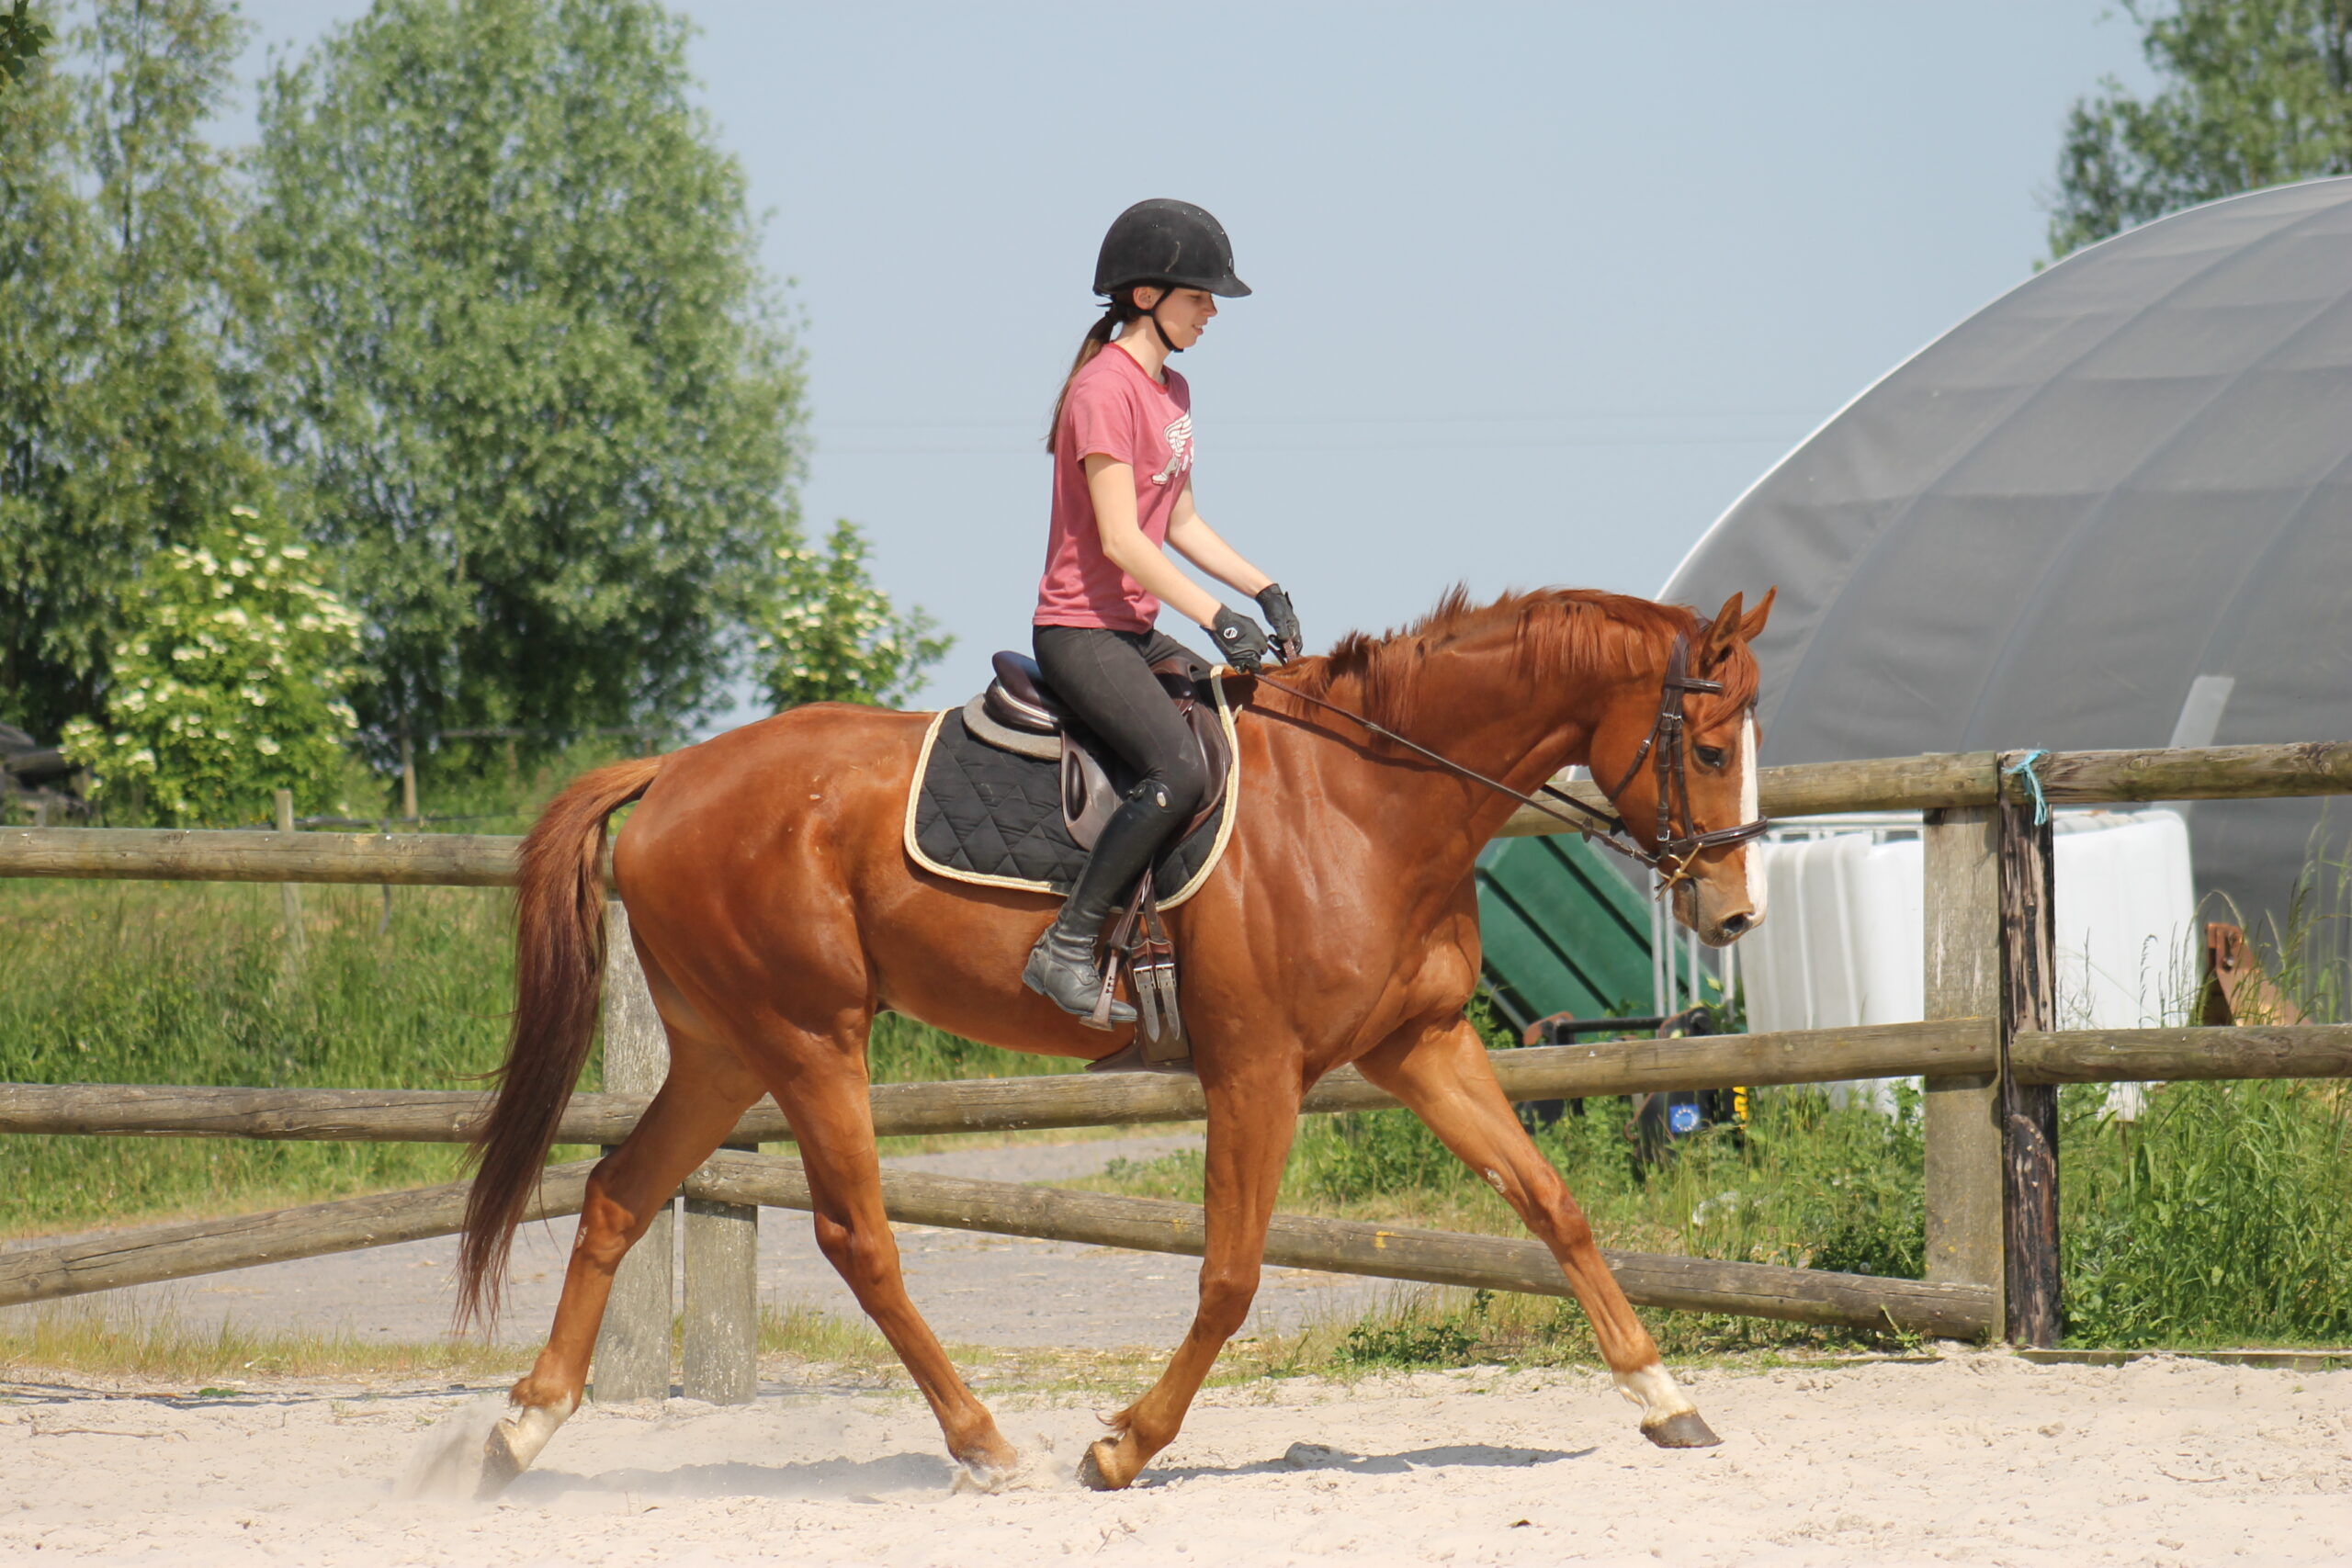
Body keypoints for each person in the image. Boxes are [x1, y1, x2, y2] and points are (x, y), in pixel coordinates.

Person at [1023, 198, 1303, 1042]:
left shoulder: (1171, 388)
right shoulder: (1103, 390)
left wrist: (1265, 589)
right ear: (1147, 295)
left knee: (1246, 725)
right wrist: (1215, 616)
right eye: (1200, 297)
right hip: (1081, 630)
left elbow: (1177, 523)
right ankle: (1068, 946)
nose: (1212, 312)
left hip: (1137, 628)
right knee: (1178, 768)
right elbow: (1118, 539)